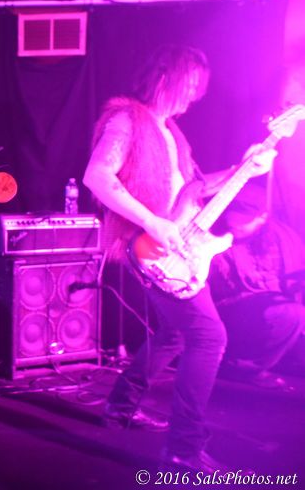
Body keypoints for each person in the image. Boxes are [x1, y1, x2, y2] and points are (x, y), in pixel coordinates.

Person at [82, 45, 276, 472]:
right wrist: (153, 223)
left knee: (173, 334)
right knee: (210, 338)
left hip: (171, 244)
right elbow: (97, 175)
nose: (193, 97)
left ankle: (119, 408)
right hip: (149, 247)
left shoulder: (172, 133)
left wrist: (245, 167)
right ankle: (183, 447)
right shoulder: (127, 119)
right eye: (189, 86)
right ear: (164, 78)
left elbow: (195, 189)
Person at [210, 189, 305, 388]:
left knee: (292, 315)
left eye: (242, 220)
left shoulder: (284, 238)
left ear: (262, 217)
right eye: (232, 217)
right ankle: (241, 369)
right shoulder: (215, 237)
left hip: (273, 308)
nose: (234, 224)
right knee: (290, 314)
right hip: (227, 312)